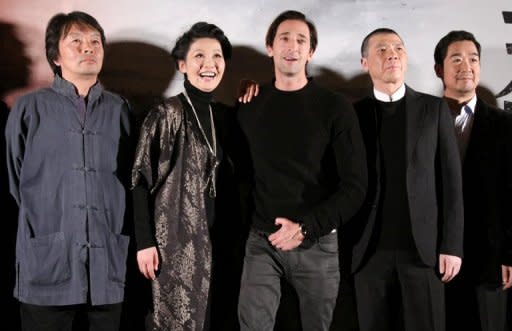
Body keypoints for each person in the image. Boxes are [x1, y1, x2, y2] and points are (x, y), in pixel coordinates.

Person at [236, 10, 368, 331]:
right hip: (262, 241)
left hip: (317, 243)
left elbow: (355, 186)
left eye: (301, 40)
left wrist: (306, 228)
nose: (292, 46)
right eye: (284, 38)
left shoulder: (334, 107)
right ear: (270, 47)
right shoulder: (250, 104)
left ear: (311, 52)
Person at [5, 11, 133, 331]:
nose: (87, 48)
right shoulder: (28, 108)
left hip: (107, 267)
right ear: (55, 57)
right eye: (75, 41)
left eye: (94, 42)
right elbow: (13, 179)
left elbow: (131, 182)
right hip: (47, 264)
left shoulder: (121, 109)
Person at [131, 22, 243, 331]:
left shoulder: (226, 116)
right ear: (182, 64)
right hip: (175, 246)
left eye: (217, 56)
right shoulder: (166, 114)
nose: (210, 65)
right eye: (199, 56)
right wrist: (144, 242)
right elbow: (138, 178)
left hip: (220, 244)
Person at [350, 28, 464, 331]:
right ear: (365, 63)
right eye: (382, 49)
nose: (392, 54)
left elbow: (451, 183)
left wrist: (452, 245)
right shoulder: (351, 114)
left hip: (423, 252)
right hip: (367, 252)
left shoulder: (433, 109)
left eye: (398, 48)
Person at [434, 30, 512, 331]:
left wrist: (508, 252)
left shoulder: (504, 125)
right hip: (434, 256)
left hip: (488, 258)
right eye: (456, 59)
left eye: (473, 59)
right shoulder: (421, 119)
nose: (466, 66)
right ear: (439, 69)